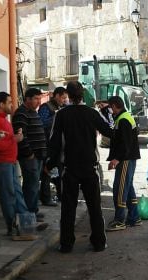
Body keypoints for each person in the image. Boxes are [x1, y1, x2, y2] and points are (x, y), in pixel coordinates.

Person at [46, 80, 113, 253]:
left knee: (68, 208)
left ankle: (66, 244)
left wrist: (50, 164)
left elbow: (54, 143)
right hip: (90, 167)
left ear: (67, 94)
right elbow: (109, 131)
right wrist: (106, 111)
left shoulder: (61, 115)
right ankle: (98, 242)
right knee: (94, 207)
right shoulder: (92, 113)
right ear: (83, 94)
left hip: (70, 168)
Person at [0, 91, 48, 241]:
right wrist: (15, 139)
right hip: (0, 163)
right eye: (9, 102)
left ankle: (26, 223)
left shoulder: (2, 119)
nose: (12, 105)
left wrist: (14, 138)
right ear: (1, 104)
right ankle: (13, 227)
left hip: (8, 162)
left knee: (17, 194)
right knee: (9, 195)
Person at [105, 96, 142, 231]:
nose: (109, 110)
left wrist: (116, 159)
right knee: (128, 187)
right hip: (128, 158)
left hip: (125, 159)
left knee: (119, 189)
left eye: (110, 107)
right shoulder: (123, 116)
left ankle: (120, 220)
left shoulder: (124, 120)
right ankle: (134, 217)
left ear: (114, 106)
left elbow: (125, 144)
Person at [13, 88, 48, 220]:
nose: (39, 102)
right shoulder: (21, 113)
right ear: (27, 99)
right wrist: (29, 154)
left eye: (39, 99)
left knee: (34, 184)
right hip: (30, 157)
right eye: (36, 99)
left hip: (38, 156)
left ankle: (32, 210)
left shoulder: (34, 112)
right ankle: (28, 213)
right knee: (30, 185)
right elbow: (21, 136)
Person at [37, 87, 68, 207]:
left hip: (59, 145)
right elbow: (41, 123)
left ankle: (61, 195)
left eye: (66, 98)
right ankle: (45, 198)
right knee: (47, 172)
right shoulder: (46, 108)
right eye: (63, 97)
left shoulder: (62, 108)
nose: (64, 100)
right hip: (47, 145)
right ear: (56, 96)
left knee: (60, 171)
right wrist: (56, 117)